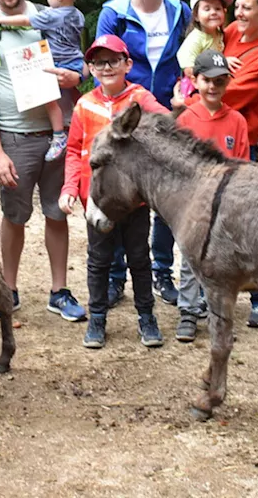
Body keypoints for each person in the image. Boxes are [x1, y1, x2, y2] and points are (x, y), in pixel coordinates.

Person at [0, 0, 85, 322]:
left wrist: (76, 76)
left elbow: (77, 58)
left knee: (57, 213)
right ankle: (9, 289)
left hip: (57, 133)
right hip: (14, 137)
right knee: (14, 215)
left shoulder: (47, 16)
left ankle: (59, 291)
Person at [95, 0, 193, 307]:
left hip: (168, 115)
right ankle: (117, 276)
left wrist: (186, 99)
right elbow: (101, 65)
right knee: (123, 197)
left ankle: (162, 272)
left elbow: (190, 58)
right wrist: (108, 115)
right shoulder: (113, 13)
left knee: (166, 198)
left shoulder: (180, 10)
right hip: (127, 119)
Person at [186, 0, 258, 328]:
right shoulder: (230, 32)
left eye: (247, 8)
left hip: (242, 144)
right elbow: (200, 56)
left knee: (249, 225)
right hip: (208, 133)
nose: (238, 14)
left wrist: (183, 99)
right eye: (238, 7)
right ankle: (204, 292)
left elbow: (230, 95)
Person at [59, 35, 167, 349]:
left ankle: (147, 317)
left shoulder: (140, 98)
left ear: (127, 64)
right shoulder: (84, 104)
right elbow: (73, 150)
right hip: (97, 201)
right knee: (98, 259)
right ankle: (97, 320)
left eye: (113, 61)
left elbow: (165, 124)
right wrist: (69, 187)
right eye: (98, 62)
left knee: (139, 258)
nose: (106, 67)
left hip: (134, 200)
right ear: (90, 68)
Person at [173, 49, 250, 342]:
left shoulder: (237, 121)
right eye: (207, 80)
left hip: (228, 204)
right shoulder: (185, 118)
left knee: (224, 261)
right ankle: (188, 312)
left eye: (220, 81)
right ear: (196, 80)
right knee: (191, 260)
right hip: (195, 205)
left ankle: (216, 312)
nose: (213, 87)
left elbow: (242, 163)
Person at [0, 0, 87, 162]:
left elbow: (26, 21)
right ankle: (81, 120)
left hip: (58, 62)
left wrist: (0, 19)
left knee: (49, 99)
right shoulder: (78, 14)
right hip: (75, 61)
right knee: (73, 93)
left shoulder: (52, 16)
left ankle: (59, 135)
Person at [173, 0, 233, 105]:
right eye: (207, 9)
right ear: (196, 16)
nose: (213, 12)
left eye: (217, 9)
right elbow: (188, 69)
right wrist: (221, 65)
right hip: (195, 86)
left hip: (213, 82)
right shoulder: (195, 39)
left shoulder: (220, 34)